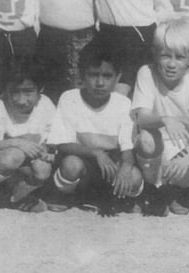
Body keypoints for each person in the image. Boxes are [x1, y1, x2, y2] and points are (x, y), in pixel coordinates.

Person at [47, 38, 144, 215]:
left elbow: (127, 148)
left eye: (107, 76)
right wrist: (95, 153)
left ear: (118, 77)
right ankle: (68, 195)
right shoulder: (70, 98)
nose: (99, 83)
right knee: (71, 165)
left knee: (134, 177)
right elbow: (61, 143)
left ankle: (111, 196)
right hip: (82, 161)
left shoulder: (122, 103)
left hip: (109, 166)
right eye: (93, 75)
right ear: (82, 75)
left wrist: (126, 167)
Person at [131, 19, 189, 215]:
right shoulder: (146, 73)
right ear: (154, 53)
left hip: (182, 150)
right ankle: (152, 187)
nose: (171, 64)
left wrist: (187, 155)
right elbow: (140, 117)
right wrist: (165, 119)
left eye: (179, 57)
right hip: (155, 149)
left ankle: (181, 190)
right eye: (165, 56)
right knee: (146, 138)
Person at [0, 61, 56, 215]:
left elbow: (53, 138)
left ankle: (17, 196)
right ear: (5, 90)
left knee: (43, 168)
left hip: (24, 167)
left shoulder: (46, 104)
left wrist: (48, 150)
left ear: (40, 90)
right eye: (15, 92)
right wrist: (16, 142)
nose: (21, 100)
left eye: (28, 92)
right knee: (14, 155)